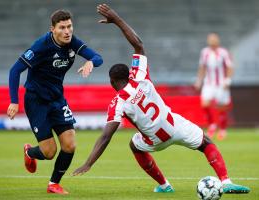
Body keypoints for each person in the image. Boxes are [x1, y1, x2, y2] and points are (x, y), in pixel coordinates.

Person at [73, 4, 250, 195]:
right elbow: (138, 44)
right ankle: (226, 181)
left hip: (154, 140)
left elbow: (106, 136)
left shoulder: (118, 103)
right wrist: (116, 19)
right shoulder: (139, 76)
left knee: (134, 145)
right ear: (128, 74)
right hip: (173, 125)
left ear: (112, 81)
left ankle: (165, 185)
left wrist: (88, 163)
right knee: (206, 143)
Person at [7, 10, 103, 194]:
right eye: (62, 27)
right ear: (53, 29)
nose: (67, 31)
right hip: (36, 100)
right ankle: (30, 152)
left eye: (69, 27)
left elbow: (98, 57)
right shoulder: (41, 47)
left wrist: (91, 62)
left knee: (70, 144)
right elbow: (14, 71)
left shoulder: (73, 42)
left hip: (57, 99)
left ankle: (53, 184)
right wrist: (14, 101)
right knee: (49, 152)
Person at [194, 33, 233, 140]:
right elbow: (202, 67)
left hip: (221, 84)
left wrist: (228, 80)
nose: (212, 41)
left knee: (221, 107)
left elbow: (230, 67)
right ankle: (212, 125)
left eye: (214, 39)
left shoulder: (223, 52)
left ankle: (222, 129)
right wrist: (199, 81)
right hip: (209, 83)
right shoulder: (205, 52)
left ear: (218, 40)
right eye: (210, 39)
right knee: (205, 104)